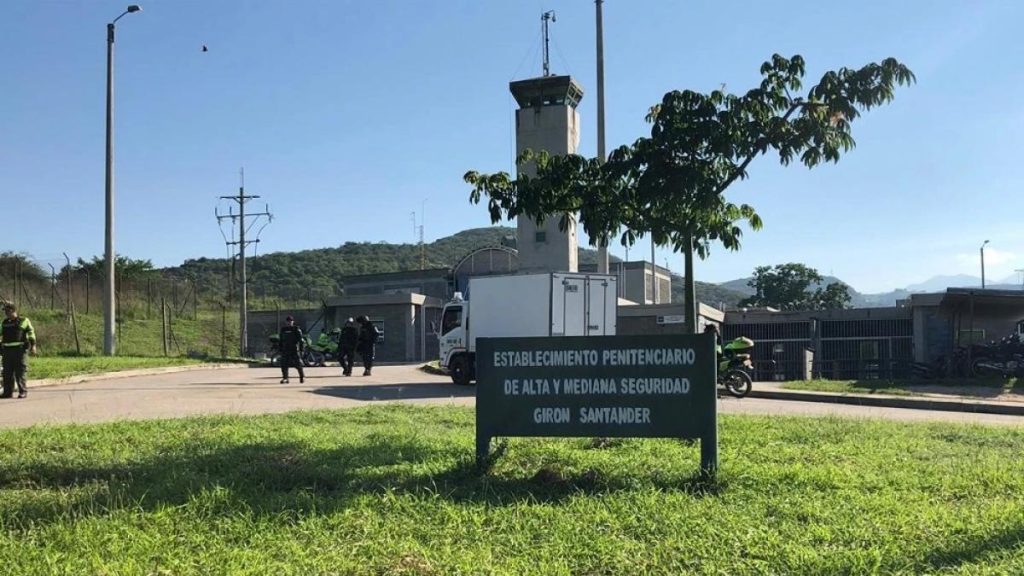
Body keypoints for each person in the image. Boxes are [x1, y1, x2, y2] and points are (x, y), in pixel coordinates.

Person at [1, 303, 36, 399]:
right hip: (7, 350)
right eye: (5, 312)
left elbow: (31, 332)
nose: (6, 313)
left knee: (20, 372)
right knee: (7, 372)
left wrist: (33, 345)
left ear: (13, 311)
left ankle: (22, 391)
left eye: (8, 311)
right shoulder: (4, 322)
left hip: (20, 350)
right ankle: (7, 392)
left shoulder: (24, 321)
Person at [278, 315, 305, 384]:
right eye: (288, 321)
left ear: (293, 322)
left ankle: (302, 377)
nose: (289, 323)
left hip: (294, 349)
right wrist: (280, 348)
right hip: (285, 349)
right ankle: (285, 378)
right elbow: (281, 340)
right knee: (284, 364)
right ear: (286, 322)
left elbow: (301, 341)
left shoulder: (296, 329)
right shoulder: (283, 330)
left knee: (298, 364)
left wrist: (301, 349)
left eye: (290, 321)